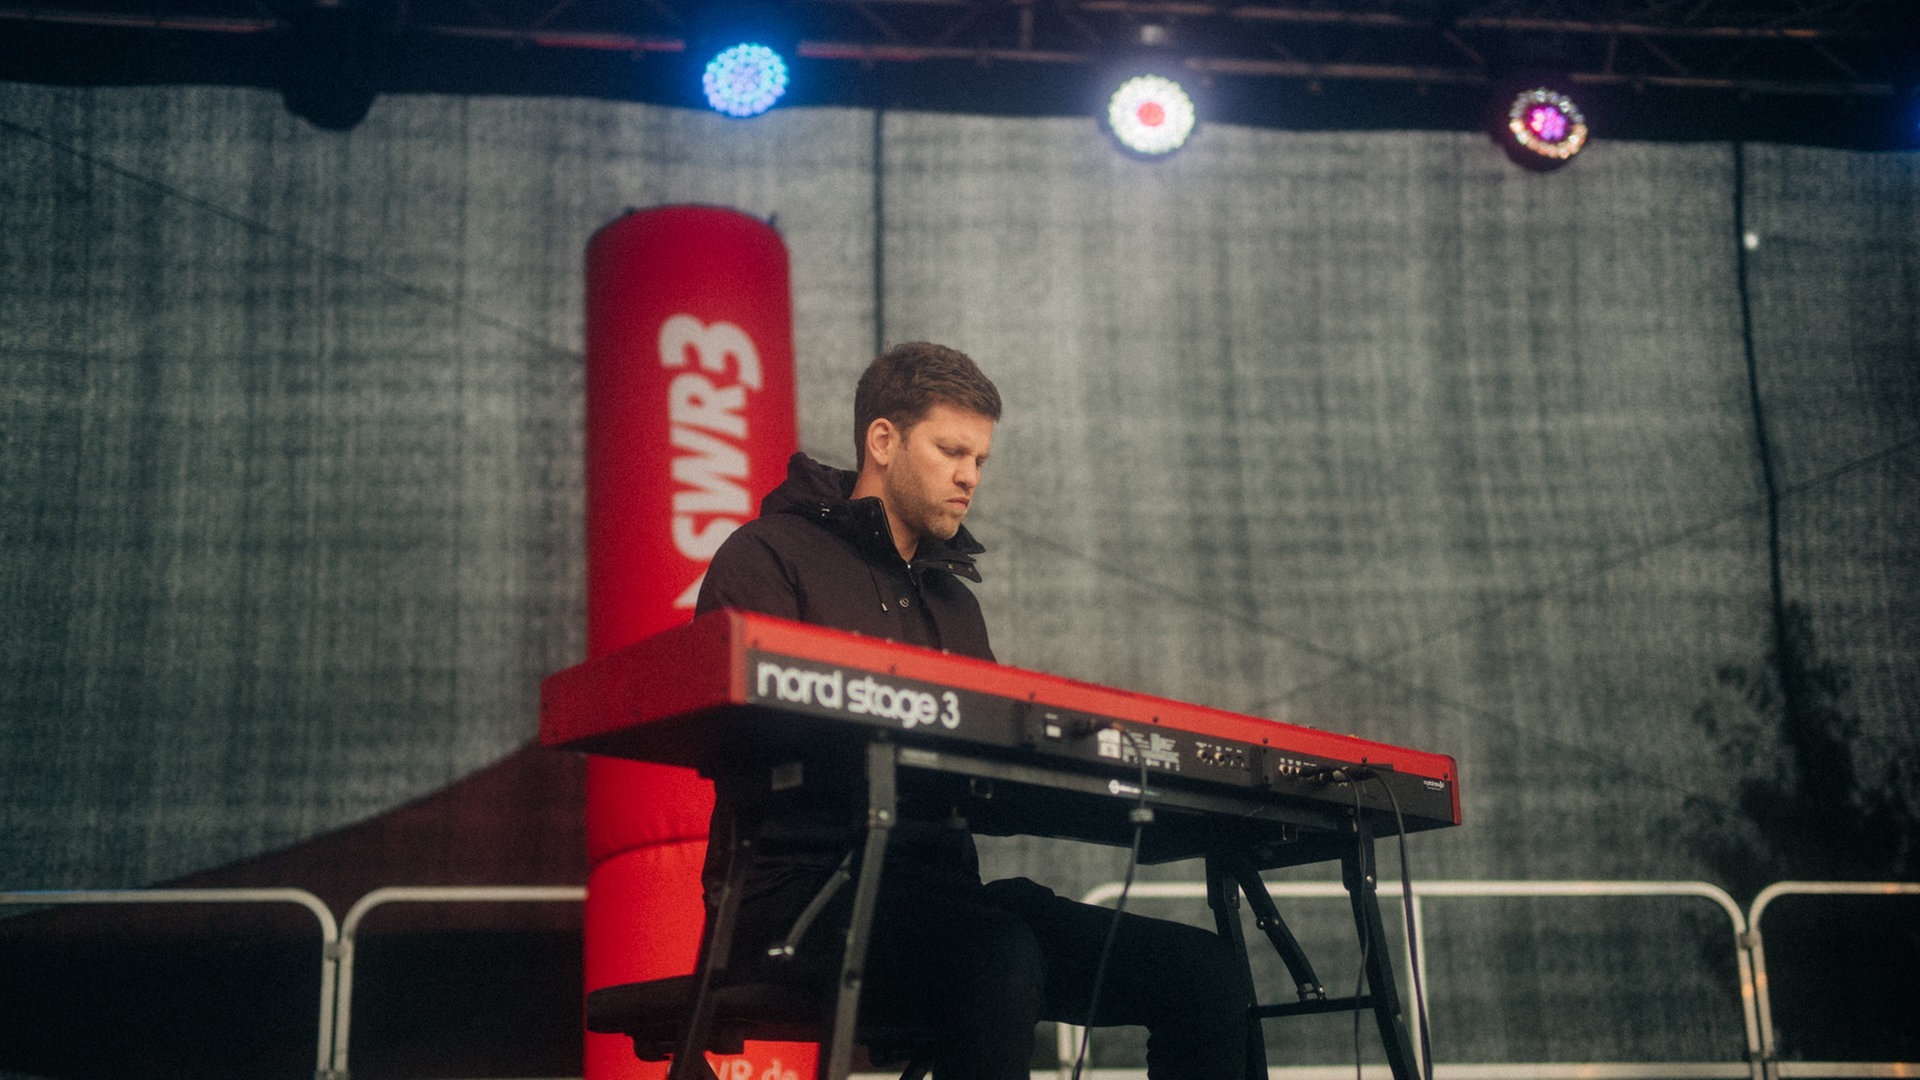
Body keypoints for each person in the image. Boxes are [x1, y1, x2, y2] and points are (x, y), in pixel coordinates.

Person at [695, 341, 1251, 1079]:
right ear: (883, 441)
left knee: (1204, 974)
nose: (969, 477)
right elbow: (741, 750)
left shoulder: (952, 599)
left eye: (981, 460)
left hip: (945, 902)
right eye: (953, 451)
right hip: (797, 902)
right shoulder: (766, 558)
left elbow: (985, 776)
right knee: (996, 954)